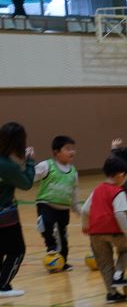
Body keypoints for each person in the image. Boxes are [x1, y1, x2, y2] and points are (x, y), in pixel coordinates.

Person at [80, 154, 127, 302]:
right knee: (126, 249)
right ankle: (119, 275)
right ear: (120, 175)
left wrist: (85, 225)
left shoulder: (97, 190)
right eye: (125, 176)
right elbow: (120, 214)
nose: (125, 179)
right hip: (114, 231)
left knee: (104, 263)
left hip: (95, 232)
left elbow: (85, 210)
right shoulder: (118, 191)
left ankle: (112, 293)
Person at [33, 135, 80, 269]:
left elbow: (74, 193)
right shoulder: (46, 165)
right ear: (56, 152)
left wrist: (77, 208)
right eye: (67, 149)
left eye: (73, 149)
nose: (72, 152)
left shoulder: (73, 172)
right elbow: (30, 178)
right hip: (46, 204)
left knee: (63, 237)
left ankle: (62, 261)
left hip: (63, 208)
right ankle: (51, 248)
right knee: (46, 224)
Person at [0, 122, 35, 298]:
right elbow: (26, 184)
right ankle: (3, 285)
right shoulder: (7, 165)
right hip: (4, 214)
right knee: (17, 250)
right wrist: (29, 162)